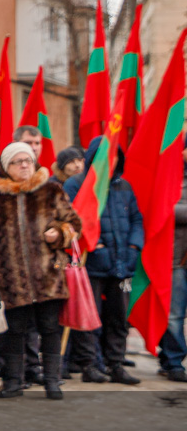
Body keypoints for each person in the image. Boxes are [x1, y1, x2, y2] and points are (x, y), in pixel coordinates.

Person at [0, 142, 81, 399]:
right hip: (11, 278)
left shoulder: (51, 190)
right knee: (13, 331)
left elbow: (74, 224)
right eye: (18, 161)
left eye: (28, 160)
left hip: (49, 275)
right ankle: (13, 381)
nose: (25, 165)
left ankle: (52, 380)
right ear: (6, 168)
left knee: (50, 328)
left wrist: (59, 233)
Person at [63, 137, 143, 386]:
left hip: (123, 268)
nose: (111, 160)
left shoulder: (125, 187)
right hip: (93, 266)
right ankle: (89, 364)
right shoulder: (76, 185)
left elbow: (137, 220)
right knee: (90, 315)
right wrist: (94, 246)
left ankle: (115, 363)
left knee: (119, 316)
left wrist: (133, 247)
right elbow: (70, 219)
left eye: (115, 155)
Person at [158, 143, 187, 382]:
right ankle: (173, 361)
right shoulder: (170, 177)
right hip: (176, 257)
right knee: (174, 314)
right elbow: (164, 209)